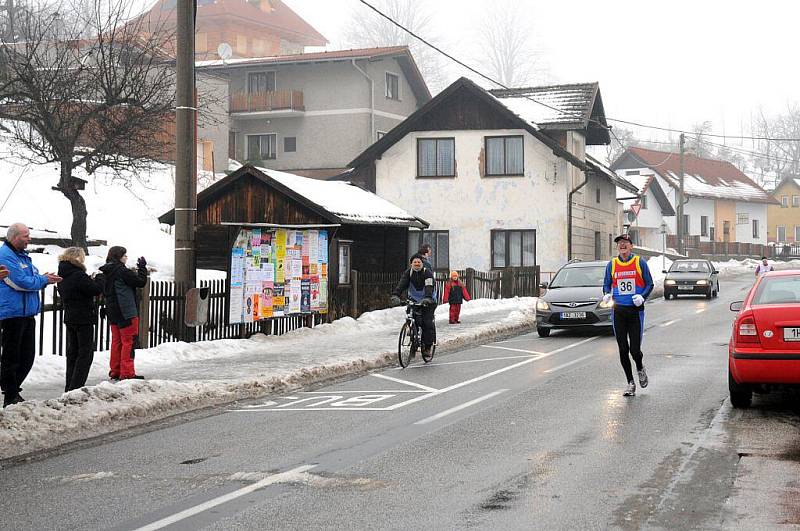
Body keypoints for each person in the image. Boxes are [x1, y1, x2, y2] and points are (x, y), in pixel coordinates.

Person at [0, 223, 61, 407]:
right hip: (12, 313)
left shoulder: (24, 257)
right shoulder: (5, 256)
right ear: (14, 237)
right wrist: (43, 280)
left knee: (27, 355)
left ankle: (13, 389)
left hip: (26, 312)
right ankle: (10, 394)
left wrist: (42, 278)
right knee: (12, 355)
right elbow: (20, 282)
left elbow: (31, 277)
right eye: (26, 236)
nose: (29, 239)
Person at [602, 234, 654, 397]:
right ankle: (630, 383)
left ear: (631, 246)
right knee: (623, 349)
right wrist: (606, 294)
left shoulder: (639, 262)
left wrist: (642, 297)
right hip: (618, 311)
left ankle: (639, 367)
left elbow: (649, 283)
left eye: (625, 243)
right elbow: (606, 284)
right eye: (619, 244)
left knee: (635, 350)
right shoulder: (612, 264)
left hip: (635, 311)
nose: (622, 246)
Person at [57, 247, 104, 392]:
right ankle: (76, 387)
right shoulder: (78, 275)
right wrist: (100, 279)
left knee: (73, 353)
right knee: (85, 353)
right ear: (77, 258)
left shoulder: (63, 274)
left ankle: (69, 386)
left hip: (70, 316)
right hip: (84, 318)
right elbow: (95, 289)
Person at [98, 246, 148, 381]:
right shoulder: (122, 271)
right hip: (126, 311)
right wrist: (142, 268)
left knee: (117, 342)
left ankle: (115, 370)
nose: (126, 258)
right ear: (119, 256)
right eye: (125, 255)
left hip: (112, 312)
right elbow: (140, 282)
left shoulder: (106, 271)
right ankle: (127, 372)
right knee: (129, 342)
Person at [391, 254, 437, 361]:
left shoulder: (427, 273)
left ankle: (428, 347)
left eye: (418, 262)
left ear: (422, 263)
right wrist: (395, 295)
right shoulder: (408, 273)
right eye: (414, 262)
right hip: (414, 299)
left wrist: (428, 298)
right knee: (412, 317)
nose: (416, 264)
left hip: (428, 301)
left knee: (426, 322)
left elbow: (429, 287)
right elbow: (402, 284)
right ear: (411, 264)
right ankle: (413, 334)